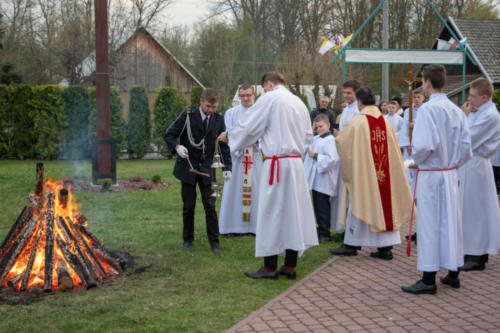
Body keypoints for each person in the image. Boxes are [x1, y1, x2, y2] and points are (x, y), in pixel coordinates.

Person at [218, 72, 318, 280]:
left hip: (277, 164)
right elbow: (309, 135)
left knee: (270, 213)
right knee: (294, 214)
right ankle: (290, 266)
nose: (264, 92)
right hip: (295, 164)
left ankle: (270, 267)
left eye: (264, 88)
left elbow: (251, 123)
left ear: (269, 84)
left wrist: (230, 135)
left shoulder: (270, 98)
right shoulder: (298, 102)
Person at [401, 65, 472, 294]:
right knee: (451, 221)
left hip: (432, 174)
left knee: (430, 224)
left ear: (427, 83)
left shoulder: (429, 110)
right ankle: (453, 273)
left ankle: (429, 278)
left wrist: (417, 161)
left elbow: (423, 146)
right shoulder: (456, 111)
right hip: (450, 173)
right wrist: (452, 166)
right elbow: (466, 149)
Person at [329, 87, 414, 260]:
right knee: (384, 206)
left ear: (359, 102)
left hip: (365, 175)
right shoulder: (385, 121)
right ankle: (385, 248)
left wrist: (337, 136)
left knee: (360, 202)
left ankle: (351, 244)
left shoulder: (357, 122)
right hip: (384, 175)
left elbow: (342, 143)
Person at [164, 88, 232, 254]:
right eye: (208, 106)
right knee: (188, 206)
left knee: (211, 206)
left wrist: (227, 168)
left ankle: (214, 242)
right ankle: (188, 240)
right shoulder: (187, 116)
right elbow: (169, 135)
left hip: (209, 170)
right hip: (187, 168)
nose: (210, 110)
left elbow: (223, 145)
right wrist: (177, 147)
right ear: (201, 101)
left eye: (214, 107)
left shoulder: (219, 119)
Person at [459, 78, 500, 271]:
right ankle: (472, 250)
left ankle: (478, 253)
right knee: (469, 209)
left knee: (476, 211)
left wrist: (463, 115)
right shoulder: (480, 111)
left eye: (473, 96)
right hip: (470, 164)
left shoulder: (490, 115)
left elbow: (469, 137)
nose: (470, 99)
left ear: (484, 97)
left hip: (477, 164)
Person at [218, 84, 263, 237]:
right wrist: (241, 141)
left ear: (254, 95)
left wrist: (250, 140)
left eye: (248, 95)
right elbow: (230, 133)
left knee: (256, 191)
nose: (245, 98)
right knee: (233, 191)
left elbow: (262, 133)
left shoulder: (261, 112)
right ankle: (232, 227)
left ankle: (255, 227)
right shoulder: (231, 113)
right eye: (242, 95)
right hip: (237, 158)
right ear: (238, 96)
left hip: (254, 156)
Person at [303, 114, 340, 242]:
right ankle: (320, 229)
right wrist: (312, 131)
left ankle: (325, 232)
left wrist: (315, 156)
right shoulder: (317, 138)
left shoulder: (330, 140)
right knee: (317, 206)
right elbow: (306, 145)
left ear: (328, 125)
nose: (319, 129)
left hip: (324, 179)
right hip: (315, 179)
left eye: (321, 126)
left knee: (323, 207)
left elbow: (332, 159)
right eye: (317, 127)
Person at [331, 80, 360, 237]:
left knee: (351, 195)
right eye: (345, 93)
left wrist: (340, 135)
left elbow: (354, 133)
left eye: (349, 93)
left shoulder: (357, 110)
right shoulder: (346, 110)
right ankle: (344, 227)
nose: (346, 95)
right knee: (344, 195)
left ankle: (351, 230)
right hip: (343, 155)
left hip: (352, 157)